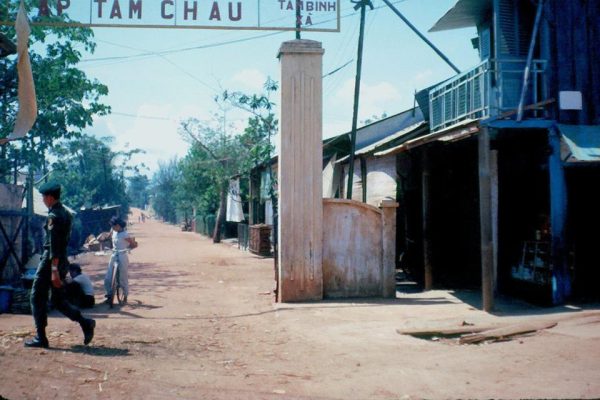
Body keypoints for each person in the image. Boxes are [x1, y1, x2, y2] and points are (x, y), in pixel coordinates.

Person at [25, 182, 95, 348]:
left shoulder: (54, 216)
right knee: (57, 301)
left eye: (43, 197)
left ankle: (41, 338)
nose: (42, 200)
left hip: (51, 261)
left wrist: (54, 270)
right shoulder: (65, 212)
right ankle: (85, 323)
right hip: (61, 260)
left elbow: (54, 244)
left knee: (36, 297)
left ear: (50, 197)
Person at [104, 216, 135, 304]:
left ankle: (125, 294)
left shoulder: (125, 234)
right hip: (114, 254)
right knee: (108, 277)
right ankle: (109, 294)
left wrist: (128, 248)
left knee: (123, 277)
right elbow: (109, 239)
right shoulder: (113, 231)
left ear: (118, 225)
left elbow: (133, 244)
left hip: (122, 255)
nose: (113, 228)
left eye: (114, 226)